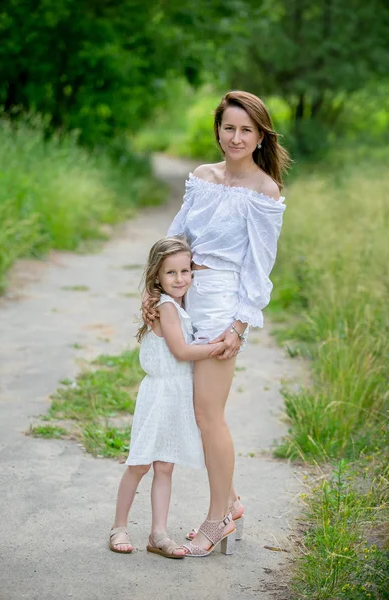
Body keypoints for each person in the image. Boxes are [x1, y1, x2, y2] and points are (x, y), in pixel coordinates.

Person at [159, 90, 290, 557]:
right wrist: (161, 296)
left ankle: (218, 521)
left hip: (222, 307)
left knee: (208, 415)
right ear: (218, 130)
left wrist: (238, 326)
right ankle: (231, 502)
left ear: (259, 137)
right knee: (192, 410)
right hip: (185, 297)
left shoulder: (264, 191)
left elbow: (260, 268)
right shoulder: (201, 177)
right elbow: (176, 238)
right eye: (229, 127)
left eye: (246, 130)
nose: (236, 137)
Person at [109, 236, 235, 559]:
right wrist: (216, 347)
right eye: (171, 274)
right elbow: (180, 352)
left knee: (165, 467)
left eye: (186, 271)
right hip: (159, 395)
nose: (180, 279)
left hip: (175, 397)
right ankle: (119, 526)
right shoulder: (166, 307)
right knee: (139, 464)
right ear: (157, 277)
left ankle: (158, 533)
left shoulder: (177, 305)